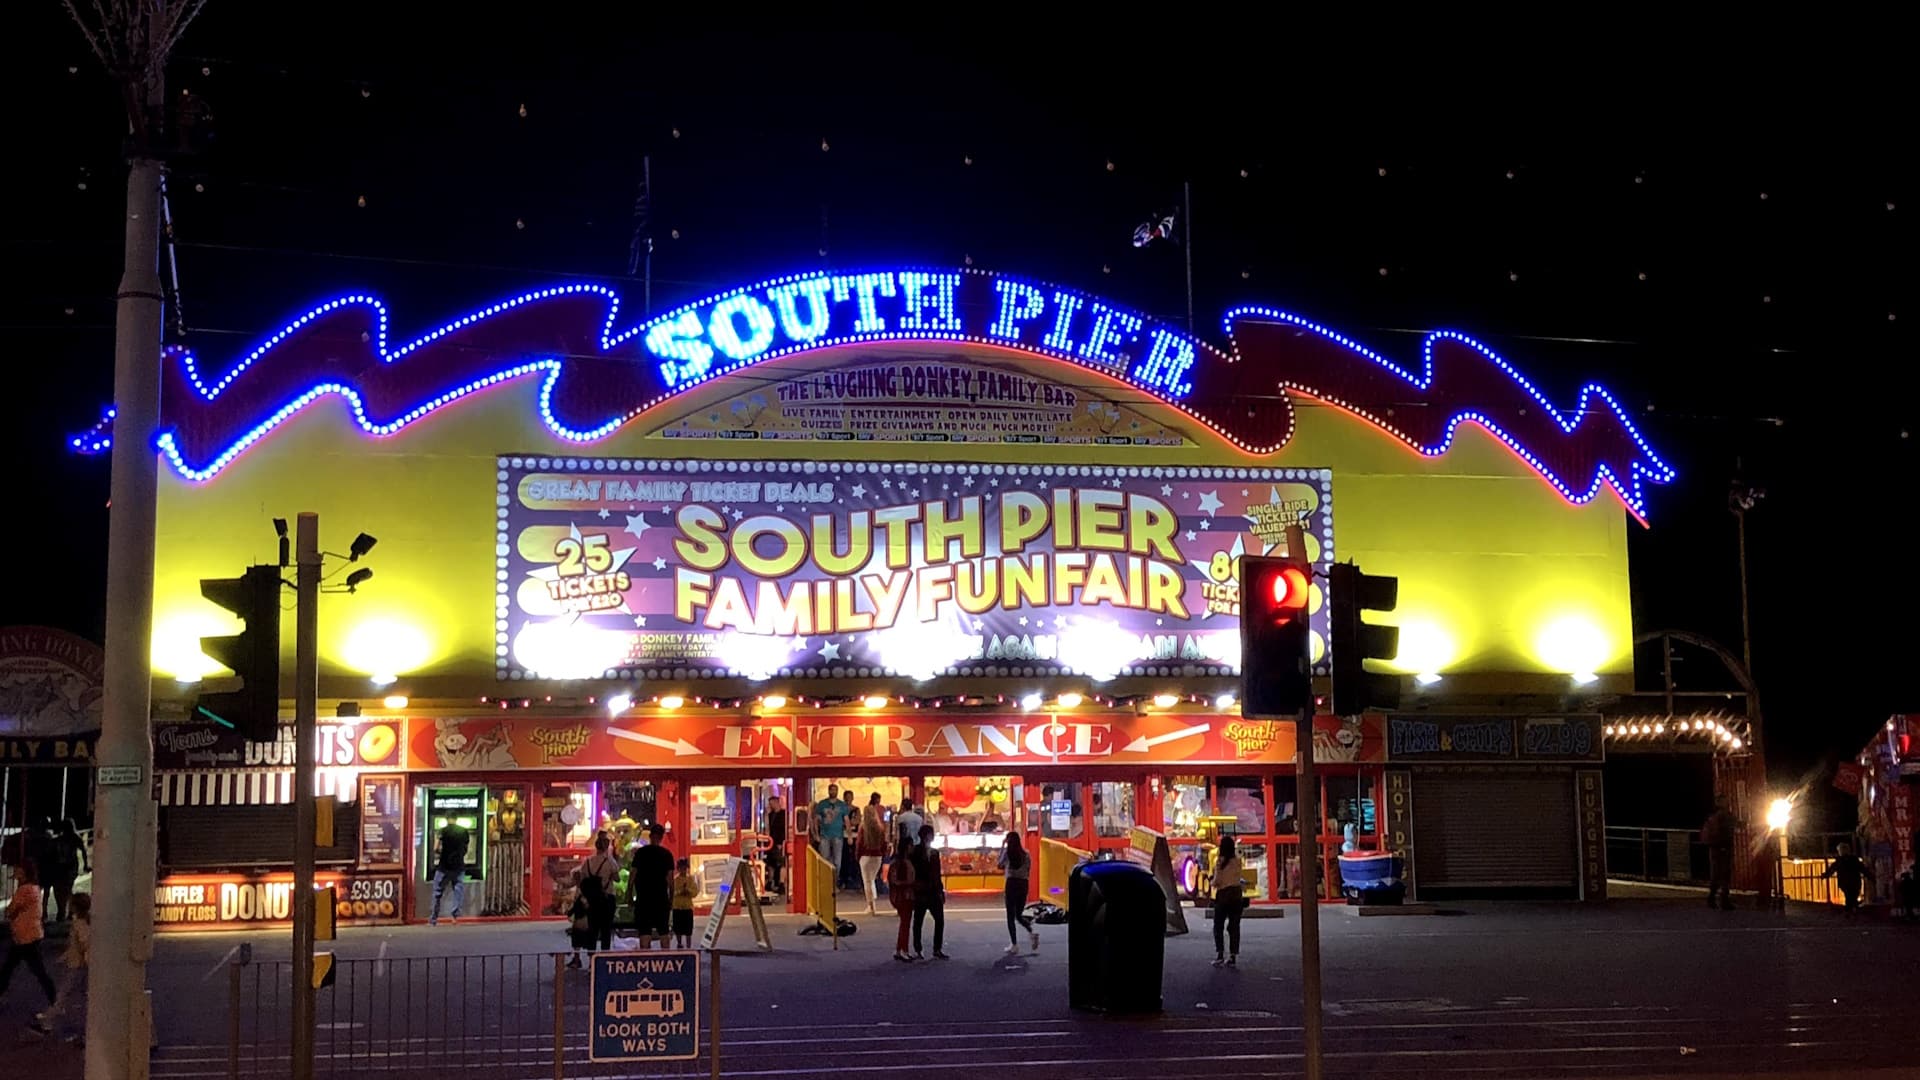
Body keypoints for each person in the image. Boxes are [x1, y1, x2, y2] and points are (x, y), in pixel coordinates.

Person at [31, 890, 88, 1043]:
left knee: (64, 994)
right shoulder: (85, 922)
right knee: (83, 996)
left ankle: (47, 1021)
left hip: (77, 966)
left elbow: (82, 944)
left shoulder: (78, 924)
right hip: (80, 965)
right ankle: (85, 1029)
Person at [1, 860, 57, 1010]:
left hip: (25, 937)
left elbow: (11, 910)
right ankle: (54, 999)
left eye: (19, 870)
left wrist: (10, 911)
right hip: (28, 935)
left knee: (37, 971)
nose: (16, 872)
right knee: (9, 968)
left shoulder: (24, 890)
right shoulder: (34, 888)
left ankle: (54, 999)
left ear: (25, 872)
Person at [629, 823, 675, 948]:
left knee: (644, 931)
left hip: (643, 898)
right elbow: (670, 880)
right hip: (661, 898)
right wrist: (671, 899)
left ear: (650, 836)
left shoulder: (641, 853)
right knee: (664, 931)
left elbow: (632, 876)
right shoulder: (667, 855)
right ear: (662, 837)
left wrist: (629, 896)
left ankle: (645, 959)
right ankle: (665, 961)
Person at [579, 831, 621, 952]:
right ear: (607, 846)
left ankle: (591, 956)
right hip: (607, 898)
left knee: (592, 928)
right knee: (606, 929)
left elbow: (583, 879)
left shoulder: (587, 862)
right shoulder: (610, 862)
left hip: (592, 899)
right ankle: (604, 955)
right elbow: (617, 879)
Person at [912, 824, 948, 960]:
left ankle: (919, 948)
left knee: (920, 921)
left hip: (925, 890)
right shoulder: (931, 853)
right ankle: (935, 949)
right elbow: (936, 874)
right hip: (928, 890)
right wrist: (940, 890)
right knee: (935, 920)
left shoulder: (918, 852)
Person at [999, 832, 1037, 955]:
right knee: (1019, 915)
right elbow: (1028, 869)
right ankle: (1031, 931)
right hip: (1023, 884)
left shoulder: (1008, 854)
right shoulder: (1026, 854)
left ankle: (1014, 944)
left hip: (1011, 884)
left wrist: (1002, 846)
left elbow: (999, 864)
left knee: (1011, 916)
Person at [1211, 835, 1246, 967]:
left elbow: (1217, 881)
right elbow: (1238, 877)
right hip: (1236, 894)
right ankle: (1233, 955)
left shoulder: (1219, 862)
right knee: (1234, 926)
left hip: (1223, 895)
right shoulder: (1238, 861)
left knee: (1218, 925)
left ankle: (1220, 954)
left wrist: (1211, 883)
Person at [429, 817, 470, 925]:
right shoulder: (464, 831)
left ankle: (433, 918)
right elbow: (466, 848)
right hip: (459, 866)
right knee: (458, 892)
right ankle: (454, 917)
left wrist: (441, 853)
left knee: (437, 892)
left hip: (444, 866)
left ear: (447, 819)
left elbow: (435, 848)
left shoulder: (442, 831)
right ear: (456, 819)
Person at [46, 821, 86, 924]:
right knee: (67, 889)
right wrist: (85, 864)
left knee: (59, 890)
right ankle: (69, 911)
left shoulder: (57, 840)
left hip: (59, 868)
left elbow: (50, 854)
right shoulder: (76, 838)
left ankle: (61, 911)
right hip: (71, 867)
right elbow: (83, 851)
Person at [1701, 799, 1738, 911]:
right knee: (1725, 875)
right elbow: (1733, 826)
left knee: (1715, 874)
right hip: (1723, 848)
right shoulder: (1725, 816)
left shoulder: (1712, 817)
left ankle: (1711, 898)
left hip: (1714, 848)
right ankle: (1724, 900)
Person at [856, 794, 889, 915]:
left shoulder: (863, 827)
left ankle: (871, 906)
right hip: (878, 857)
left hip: (865, 857)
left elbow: (859, 844)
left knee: (867, 881)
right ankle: (872, 904)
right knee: (872, 880)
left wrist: (857, 856)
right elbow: (884, 843)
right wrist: (883, 853)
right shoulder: (880, 828)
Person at [886, 838, 918, 962]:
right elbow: (896, 881)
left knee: (904, 923)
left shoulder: (898, 862)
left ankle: (900, 949)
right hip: (904, 896)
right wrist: (909, 884)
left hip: (901, 895)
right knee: (905, 923)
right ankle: (904, 949)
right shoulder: (902, 863)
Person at [1821, 842, 1875, 914]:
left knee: (1849, 896)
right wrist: (1871, 877)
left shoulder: (1839, 861)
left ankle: (1850, 910)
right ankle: (1852, 909)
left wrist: (1824, 875)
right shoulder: (1854, 859)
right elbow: (1863, 869)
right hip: (1855, 882)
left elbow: (1831, 870)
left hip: (1845, 883)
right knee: (1853, 896)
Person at [813, 784, 848, 889]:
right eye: (831, 790)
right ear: (828, 791)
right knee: (825, 860)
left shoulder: (842, 805)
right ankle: (825, 884)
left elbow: (846, 820)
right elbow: (816, 820)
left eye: (835, 790)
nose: (833, 792)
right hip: (825, 836)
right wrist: (816, 834)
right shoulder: (822, 804)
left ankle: (834, 883)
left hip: (838, 836)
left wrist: (849, 835)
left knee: (837, 862)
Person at [671, 859, 699, 949]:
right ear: (678, 869)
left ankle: (688, 946)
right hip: (677, 907)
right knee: (678, 928)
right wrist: (680, 892)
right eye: (681, 868)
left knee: (688, 929)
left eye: (685, 868)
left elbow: (695, 892)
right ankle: (679, 943)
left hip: (687, 907)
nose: (683, 870)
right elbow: (672, 893)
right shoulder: (675, 880)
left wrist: (688, 891)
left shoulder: (690, 879)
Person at [764, 795, 788, 896]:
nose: (771, 805)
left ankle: (781, 883)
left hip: (779, 842)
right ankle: (770, 881)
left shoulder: (783, 814)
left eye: (772, 803)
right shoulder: (770, 815)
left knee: (781, 862)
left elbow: (784, 829)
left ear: (777, 802)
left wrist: (781, 842)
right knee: (771, 863)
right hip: (771, 841)